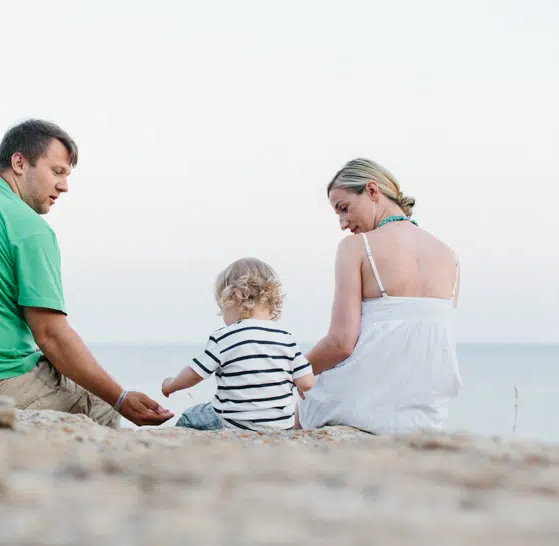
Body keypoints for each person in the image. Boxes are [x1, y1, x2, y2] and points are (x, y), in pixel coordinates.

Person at [0, 119, 173, 428]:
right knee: (100, 409)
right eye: (56, 172)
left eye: (67, 176)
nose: (64, 186)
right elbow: (51, 336)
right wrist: (121, 399)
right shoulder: (28, 227)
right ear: (19, 162)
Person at [297, 158, 462, 434]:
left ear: (372, 191)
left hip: (364, 405)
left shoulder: (356, 247)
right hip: (426, 412)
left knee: (304, 396)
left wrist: (293, 370)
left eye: (344, 208)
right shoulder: (449, 255)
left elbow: (340, 343)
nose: (342, 223)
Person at [161, 258, 314, 431]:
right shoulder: (286, 338)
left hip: (233, 424)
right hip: (281, 426)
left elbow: (195, 374)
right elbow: (307, 382)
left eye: (222, 308)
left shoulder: (225, 337)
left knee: (191, 416)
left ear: (235, 295)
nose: (222, 316)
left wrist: (171, 384)